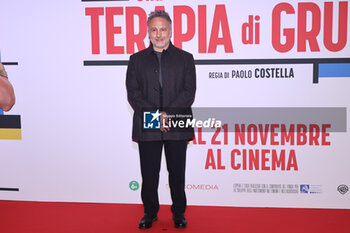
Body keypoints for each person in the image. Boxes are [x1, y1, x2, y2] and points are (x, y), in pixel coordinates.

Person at [126, 10, 196, 229]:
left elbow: (188, 92)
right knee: (149, 172)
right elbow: (133, 93)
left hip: (177, 121)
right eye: (154, 29)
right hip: (148, 122)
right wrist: (157, 116)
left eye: (163, 29)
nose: (158, 34)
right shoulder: (136, 60)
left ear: (171, 30)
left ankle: (178, 213)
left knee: (177, 171)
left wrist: (167, 114)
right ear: (148, 32)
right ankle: (150, 212)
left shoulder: (186, 58)